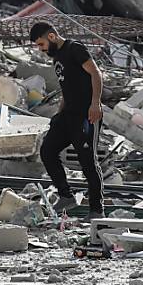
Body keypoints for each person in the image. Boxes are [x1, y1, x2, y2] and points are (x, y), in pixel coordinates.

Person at [31, 21, 105, 219]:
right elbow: (66, 88)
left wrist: (95, 104)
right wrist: (59, 113)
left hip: (86, 115)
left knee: (88, 161)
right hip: (68, 115)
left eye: (41, 44)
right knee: (47, 151)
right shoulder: (57, 57)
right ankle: (66, 196)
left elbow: (96, 74)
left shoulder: (75, 49)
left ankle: (97, 210)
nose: (41, 49)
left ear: (51, 36)